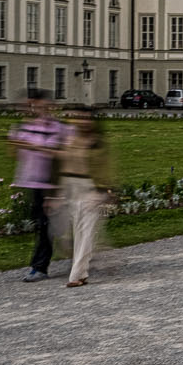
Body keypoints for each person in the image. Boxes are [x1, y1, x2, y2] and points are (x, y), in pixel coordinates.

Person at [8, 94, 67, 283]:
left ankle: (39, 266)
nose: (34, 110)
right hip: (31, 182)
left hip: (51, 183)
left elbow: (61, 155)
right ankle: (72, 247)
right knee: (43, 224)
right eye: (31, 106)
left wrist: (33, 146)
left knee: (45, 225)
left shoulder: (59, 128)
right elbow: (14, 155)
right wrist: (15, 142)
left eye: (39, 106)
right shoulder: (25, 127)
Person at [59, 108, 109, 287]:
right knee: (78, 232)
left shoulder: (96, 143)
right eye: (79, 118)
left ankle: (76, 275)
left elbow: (105, 168)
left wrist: (104, 190)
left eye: (86, 119)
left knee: (86, 232)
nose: (82, 122)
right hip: (72, 187)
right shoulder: (71, 141)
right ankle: (82, 270)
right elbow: (63, 165)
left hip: (90, 188)